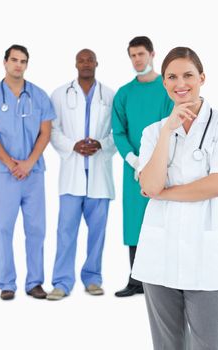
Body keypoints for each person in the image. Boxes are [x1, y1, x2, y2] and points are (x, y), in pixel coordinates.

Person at [132, 47, 218, 349]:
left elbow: (215, 184)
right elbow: (151, 185)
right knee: (167, 344)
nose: (180, 83)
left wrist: (165, 193)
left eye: (188, 75)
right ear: (164, 83)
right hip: (160, 255)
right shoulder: (154, 132)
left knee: (210, 342)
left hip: (208, 256)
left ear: (202, 78)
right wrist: (168, 131)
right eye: (171, 77)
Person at [0, 44, 56, 300]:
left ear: (27, 65)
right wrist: (10, 163)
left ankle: (35, 282)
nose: (18, 64)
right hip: (5, 175)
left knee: (36, 229)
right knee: (3, 228)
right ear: (4, 62)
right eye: (14, 60)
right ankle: (6, 283)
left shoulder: (38, 96)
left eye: (23, 61)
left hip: (33, 173)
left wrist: (28, 163)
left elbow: (45, 132)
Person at [47, 49, 116, 300]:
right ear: (75, 64)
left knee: (98, 233)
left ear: (97, 63)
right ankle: (62, 283)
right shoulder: (59, 94)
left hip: (99, 176)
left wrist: (101, 145)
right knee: (65, 232)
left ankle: (93, 278)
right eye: (81, 60)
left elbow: (117, 132)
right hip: (71, 175)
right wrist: (72, 146)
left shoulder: (110, 95)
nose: (86, 63)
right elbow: (52, 130)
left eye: (90, 59)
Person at [112, 36, 173, 297]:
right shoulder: (124, 93)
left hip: (164, 165)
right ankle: (136, 280)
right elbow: (118, 132)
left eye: (141, 54)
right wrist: (135, 161)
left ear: (152, 54)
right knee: (135, 222)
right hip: (133, 171)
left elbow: (172, 124)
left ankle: (166, 280)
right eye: (133, 55)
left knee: (166, 219)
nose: (137, 60)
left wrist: (153, 161)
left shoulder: (166, 89)